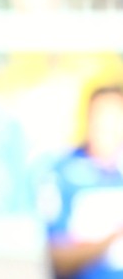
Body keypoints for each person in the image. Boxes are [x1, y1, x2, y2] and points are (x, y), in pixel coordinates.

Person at [40, 85, 123, 279]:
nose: (108, 126)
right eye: (103, 117)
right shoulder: (63, 172)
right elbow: (58, 257)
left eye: (116, 118)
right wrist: (111, 239)